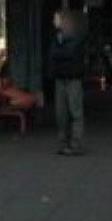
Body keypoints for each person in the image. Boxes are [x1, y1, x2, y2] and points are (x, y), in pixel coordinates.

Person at [49, 9, 88, 155]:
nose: (54, 21)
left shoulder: (77, 36)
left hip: (73, 78)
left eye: (56, 19)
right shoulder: (56, 37)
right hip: (60, 77)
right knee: (61, 113)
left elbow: (69, 53)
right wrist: (61, 54)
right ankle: (63, 143)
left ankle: (75, 144)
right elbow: (53, 53)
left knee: (75, 111)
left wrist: (59, 54)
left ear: (64, 20)